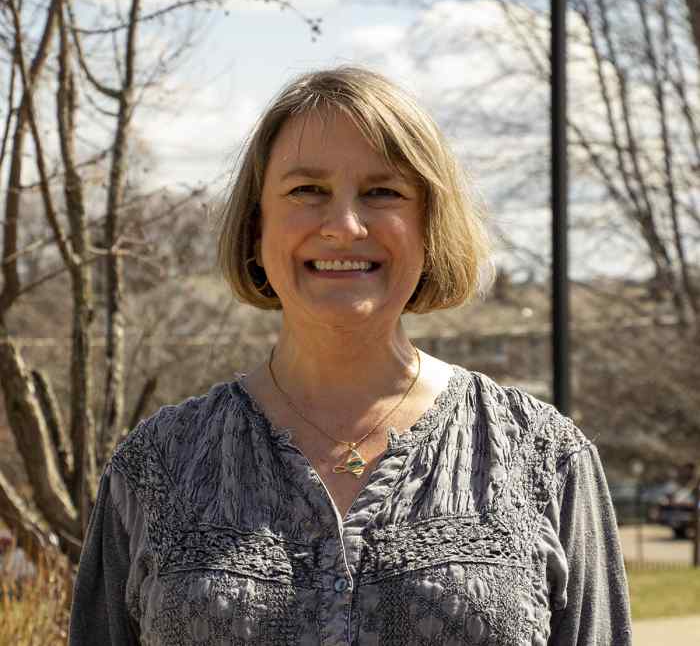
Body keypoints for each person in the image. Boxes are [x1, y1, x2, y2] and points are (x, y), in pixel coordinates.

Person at [69, 66, 632, 645]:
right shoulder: (157, 468)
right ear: (257, 228)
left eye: (382, 192)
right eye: (306, 190)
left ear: (429, 225)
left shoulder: (544, 458)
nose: (343, 225)